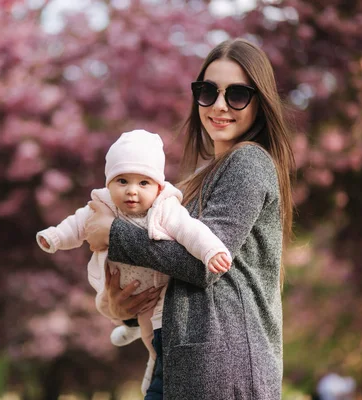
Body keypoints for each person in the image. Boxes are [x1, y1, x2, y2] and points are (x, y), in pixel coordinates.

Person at [85, 38, 295, 399]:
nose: (219, 105)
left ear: (260, 103)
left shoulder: (249, 162)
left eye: (237, 95)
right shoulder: (197, 179)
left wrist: (113, 233)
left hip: (224, 366)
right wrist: (124, 310)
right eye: (208, 91)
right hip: (183, 360)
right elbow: (168, 273)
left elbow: (205, 265)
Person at [36, 129, 232, 394]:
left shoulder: (165, 208)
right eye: (122, 181)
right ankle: (130, 330)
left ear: (158, 187)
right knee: (134, 318)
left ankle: (149, 366)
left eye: (143, 183)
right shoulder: (102, 205)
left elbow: (191, 232)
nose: (132, 191)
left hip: (157, 295)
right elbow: (77, 225)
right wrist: (55, 237)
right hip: (120, 288)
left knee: (154, 341)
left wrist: (212, 251)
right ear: (108, 184)